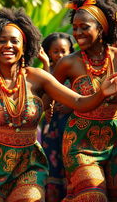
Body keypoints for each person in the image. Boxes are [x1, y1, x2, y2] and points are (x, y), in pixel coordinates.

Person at [0, 7, 117, 202]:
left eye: (14, 41)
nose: (8, 45)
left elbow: (79, 102)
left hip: (28, 165)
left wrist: (102, 93)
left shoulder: (38, 78)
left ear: (25, 45)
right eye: (2, 40)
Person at [53, 0, 117, 201]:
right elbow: (47, 90)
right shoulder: (68, 63)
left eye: (85, 27)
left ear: (101, 28)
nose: (78, 33)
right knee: (92, 195)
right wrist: (50, 106)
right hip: (81, 141)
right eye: (75, 28)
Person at [38, 32, 75, 202]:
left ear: (70, 52)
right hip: (51, 130)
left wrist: (70, 104)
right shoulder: (41, 73)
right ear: (47, 53)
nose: (60, 55)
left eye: (64, 51)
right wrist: (45, 64)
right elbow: (44, 97)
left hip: (73, 128)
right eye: (55, 51)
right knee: (52, 169)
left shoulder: (76, 70)